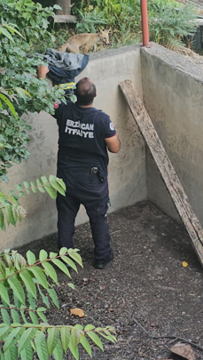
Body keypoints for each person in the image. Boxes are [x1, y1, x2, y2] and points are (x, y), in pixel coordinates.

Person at [48, 76, 120, 269]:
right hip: (92, 180)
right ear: (95, 95)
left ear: (74, 95)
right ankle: (102, 257)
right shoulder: (102, 119)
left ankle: (64, 260)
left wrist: (41, 75)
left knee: (65, 217)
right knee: (98, 217)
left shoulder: (63, 111)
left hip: (66, 177)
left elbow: (47, 100)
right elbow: (115, 148)